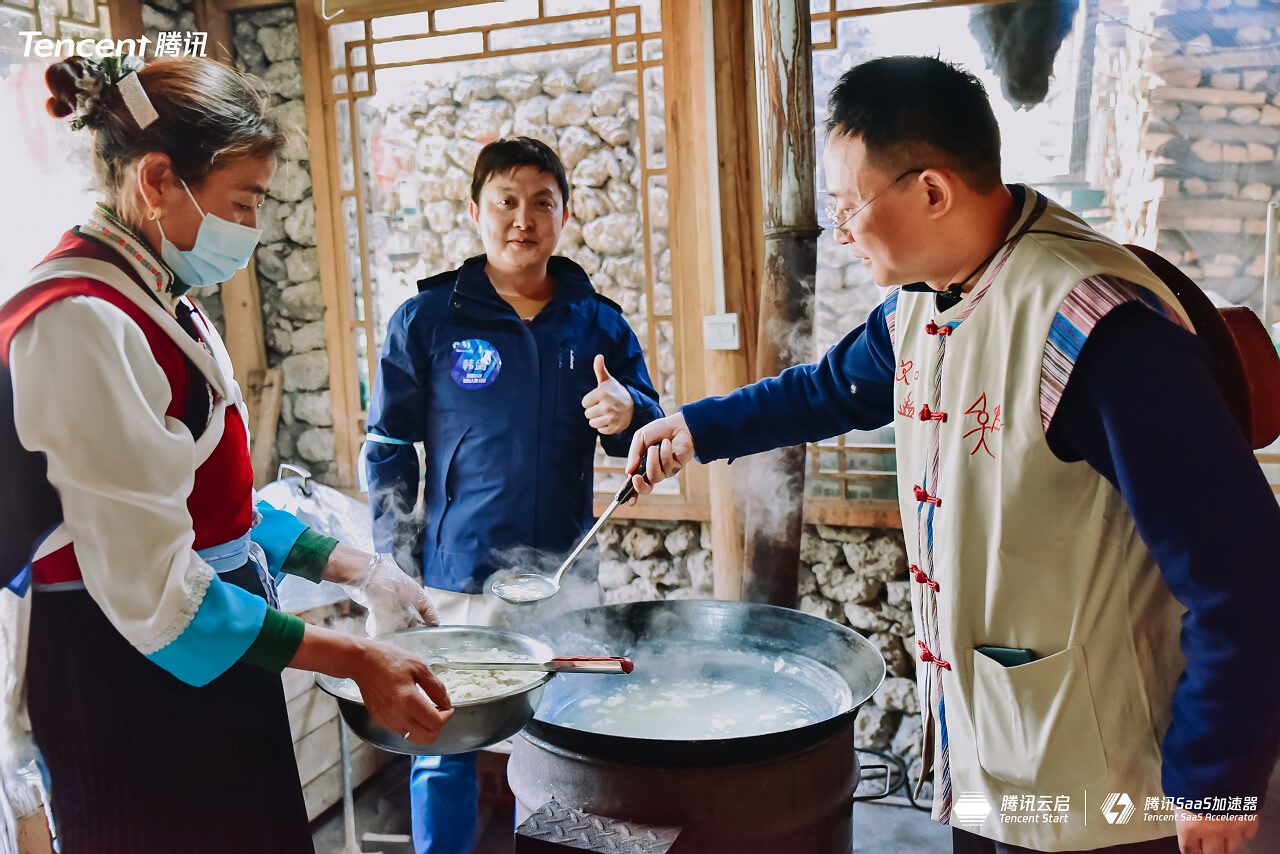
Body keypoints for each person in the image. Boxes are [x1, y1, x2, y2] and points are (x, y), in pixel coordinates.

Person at [625, 57, 1280, 854]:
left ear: (931, 191)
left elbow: (1244, 572)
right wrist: (696, 428)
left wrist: (1218, 778)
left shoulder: (1096, 332)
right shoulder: (921, 306)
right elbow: (826, 390)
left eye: (847, 207)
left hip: (1104, 786)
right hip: (990, 759)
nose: (839, 233)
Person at [0, 54, 454, 853]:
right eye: (242, 202)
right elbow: (157, 589)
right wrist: (352, 658)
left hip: (210, 659)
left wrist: (362, 569)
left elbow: (220, 512)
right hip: (135, 681)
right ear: (158, 180)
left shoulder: (161, 299)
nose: (251, 227)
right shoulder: (79, 323)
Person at [364, 136, 663, 853]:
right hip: (456, 576)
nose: (522, 219)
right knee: (443, 741)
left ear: (564, 217)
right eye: (506, 201)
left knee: (570, 735)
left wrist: (630, 415)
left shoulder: (598, 323)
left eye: (541, 203)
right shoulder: (429, 319)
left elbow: (650, 436)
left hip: (562, 574)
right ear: (476, 211)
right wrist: (391, 558)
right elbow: (389, 445)